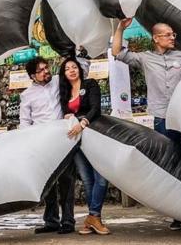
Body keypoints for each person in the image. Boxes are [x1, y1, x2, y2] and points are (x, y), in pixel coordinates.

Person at [112, 18, 181, 230]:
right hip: (162, 118)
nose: (172, 38)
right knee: (171, 165)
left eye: (173, 34)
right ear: (156, 38)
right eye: (168, 35)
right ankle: (178, 214)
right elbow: (117, 52)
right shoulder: (145, 59)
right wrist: (121, 27)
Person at [20, 57, 76, 235]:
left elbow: (78, 73)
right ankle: (51, 221)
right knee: (48, 184)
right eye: (41, 70)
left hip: (63, 139)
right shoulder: (26, 95)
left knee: (66, 180)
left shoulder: (58, 82)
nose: (46, 72)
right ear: (32, 76)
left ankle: (68, 221)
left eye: (46, 68)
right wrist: (27, 145)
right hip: (42, 144)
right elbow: (24, 122)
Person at [58, 58, 109, 235]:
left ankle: (93, 216)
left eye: (74, 67)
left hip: (94, 135)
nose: (71, 70)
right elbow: (65, 113)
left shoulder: (90, 84)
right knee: (87, 179)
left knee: (101, 178)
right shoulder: (64, 92)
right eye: (67, 69)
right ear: (63, 74)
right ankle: (93, 218)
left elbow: (96, 108)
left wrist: (83, 121)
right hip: (76, 140)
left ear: (79, 68)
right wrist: (67, 117)